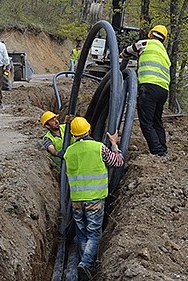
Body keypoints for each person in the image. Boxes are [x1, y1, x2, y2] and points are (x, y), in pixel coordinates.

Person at [64, 116, 124, 280]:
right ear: (89, 130)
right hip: (94, 200)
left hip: (76, 200)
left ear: (73, 134)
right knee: (93, 234)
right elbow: (117, 162)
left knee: (82, 233)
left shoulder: (69, 151)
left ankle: (86, 264)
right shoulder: (99, 148)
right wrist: (114, 144)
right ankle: (85, 264)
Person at [121, 24, 171, 157]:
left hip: (149, 87)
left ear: (151, 34)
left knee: (146, 122)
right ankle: (163, 149)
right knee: (157, 120)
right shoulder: (164, 52)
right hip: (163, 91)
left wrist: (123, 55)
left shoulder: (145, 43)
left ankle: (157, 152)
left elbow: (125, 52)